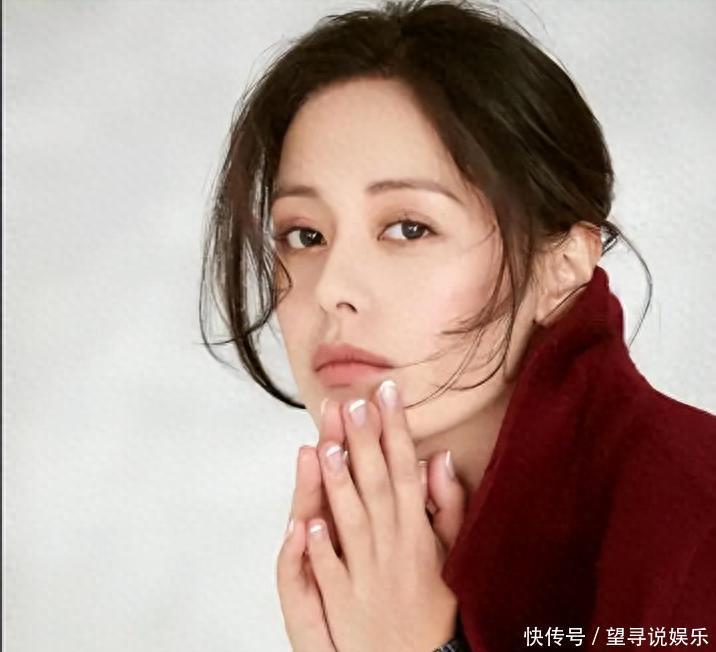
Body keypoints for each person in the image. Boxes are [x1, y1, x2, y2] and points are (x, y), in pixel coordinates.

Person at [199, 1, 716, 650]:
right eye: (304, 235)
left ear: (561, 264)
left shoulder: (694, 524)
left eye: (408, 228)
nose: (331, 289)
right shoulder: (378, 567)